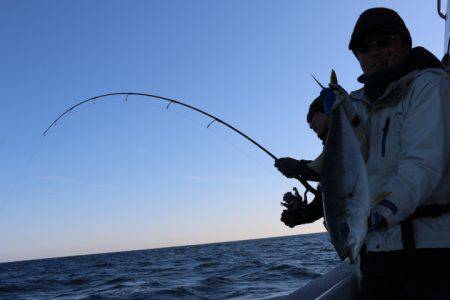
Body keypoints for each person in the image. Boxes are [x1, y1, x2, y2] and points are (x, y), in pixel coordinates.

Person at [276, 7, 450, 299]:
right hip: (378, 250)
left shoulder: (429, 86)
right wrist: (346, 114)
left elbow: (421, 165)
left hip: (430, 250)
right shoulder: (357, 103)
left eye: (384, 42)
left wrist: (382, 213)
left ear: (404, 43)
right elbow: (351, 163)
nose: (374, 52)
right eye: (363, 48)